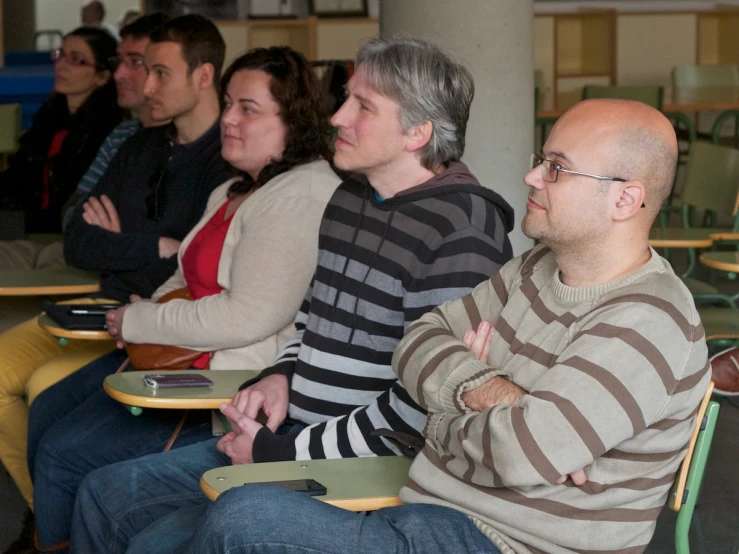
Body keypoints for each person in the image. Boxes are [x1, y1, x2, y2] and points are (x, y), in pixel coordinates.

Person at [183, 99, 711, 554]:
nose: (530, 176)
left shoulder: (649, 318)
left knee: (243, 517)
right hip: (429, 514)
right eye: (539, 160)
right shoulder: (532, 268)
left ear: (624, 198)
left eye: (556, 167)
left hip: (505, 543)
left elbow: (522, 450)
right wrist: (487, 390)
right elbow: (415, 341)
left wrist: (441, 414)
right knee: (154, 525)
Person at [67, 36, 515, 554]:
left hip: (361, 469)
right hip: (292, 437)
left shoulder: (464, 228)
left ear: (418, 132)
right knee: (103, 494)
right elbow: (310, 320)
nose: (337, 117)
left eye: (362, 106)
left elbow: (425, 407)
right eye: (345, 98)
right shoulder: (350, 196)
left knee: (151, 541)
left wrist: (276, 449)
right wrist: (279, 375)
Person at [28, 45, 342, 554]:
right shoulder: (233, 190)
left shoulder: (301, 194)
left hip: (216, 381)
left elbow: (246, 317)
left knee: (67, 458)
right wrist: (141, 314)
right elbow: (177, 275)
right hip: (170, 352)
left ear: (295, 121)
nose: (229, 120)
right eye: (227, 104)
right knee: (47, 410)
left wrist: (139, 319)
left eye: (248, 109)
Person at [0, 13, 228, 552]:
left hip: (162, 339)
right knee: (49, 416)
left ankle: (49, 534)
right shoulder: (140, 145)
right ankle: (45, 528)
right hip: (113, 314)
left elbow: (189, 275)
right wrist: (155, 243)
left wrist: (132, 244)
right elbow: (78, 236)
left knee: (55, 426)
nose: (145, 87)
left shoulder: (226, 162)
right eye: (141, 70)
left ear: (203, 76)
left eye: (158, 73)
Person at [0, 27, 122, 260]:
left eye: (76, 60)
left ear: (102, 76)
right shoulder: (49, 119)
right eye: (61, 55)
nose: (62, 65)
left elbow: (73, 201)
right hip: (26, 225)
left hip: (57, 233)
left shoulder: (107, 131)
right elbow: (19, 177)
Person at [62, 11, 171, 227]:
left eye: (135, 62)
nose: (118, 74)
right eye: (119, 61)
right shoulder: (123, 134)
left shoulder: (186, 141)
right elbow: (72, 210)